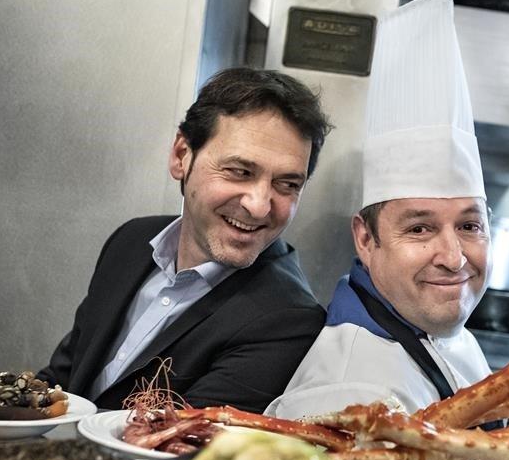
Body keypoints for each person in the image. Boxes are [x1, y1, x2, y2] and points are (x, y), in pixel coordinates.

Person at [38, 68, 331, 411]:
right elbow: (62, 381)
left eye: (287, 184)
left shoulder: (288, 320)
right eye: (240, 171)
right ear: (181, 156)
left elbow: (175, 448)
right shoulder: (131, 241)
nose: (258, 205)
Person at [266, 0, 491, 419]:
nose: (454, 257)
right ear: (366, 239)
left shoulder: (437, 327)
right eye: (420, 229)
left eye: (470, 226)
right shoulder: (351, 397)